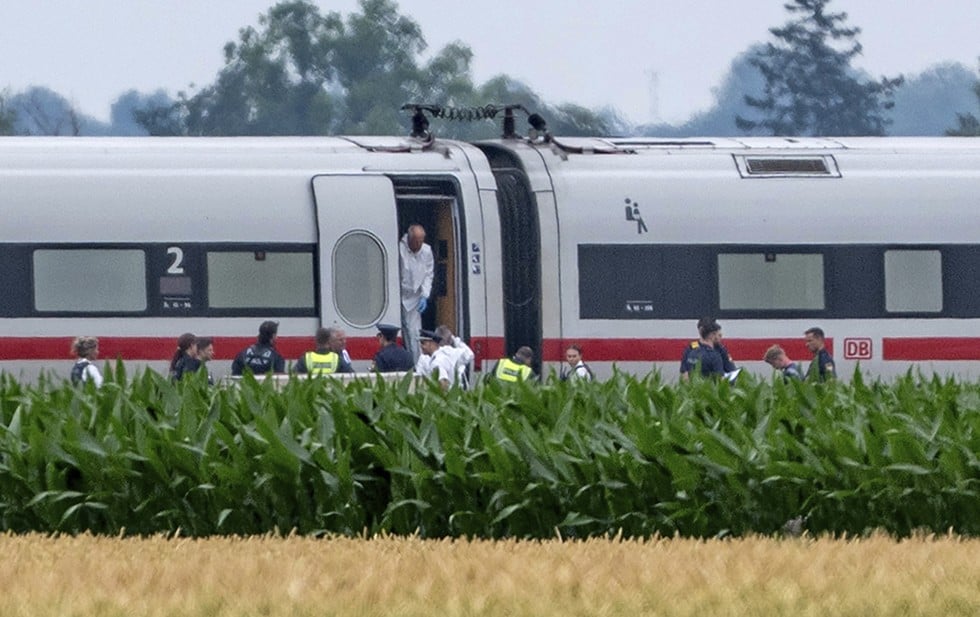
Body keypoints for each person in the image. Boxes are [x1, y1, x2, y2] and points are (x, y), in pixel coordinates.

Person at [399, 224, 434, 363]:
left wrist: (425, 295)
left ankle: (417, 365)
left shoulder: (427, 251)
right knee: (400, 331)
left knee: (414, 333)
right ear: (410, 239)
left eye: (421, 241)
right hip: (399, 295)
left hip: (415, 298)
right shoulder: (399, 249)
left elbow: (428, 275)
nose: (419, 244)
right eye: (416, 241)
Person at [434, 324, 475, 389]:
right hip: (457, 391)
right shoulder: (456, 353)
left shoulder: (434, 354)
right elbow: (470, 355)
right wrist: (455, 340)